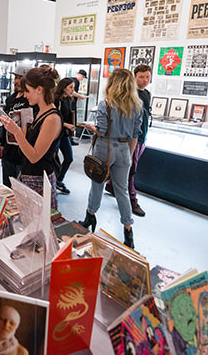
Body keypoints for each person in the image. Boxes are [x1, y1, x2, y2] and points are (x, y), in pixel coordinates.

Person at [80, 68, 142, 249]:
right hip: (124, 149)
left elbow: (102, 131)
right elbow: (135, 135)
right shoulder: (137, 106)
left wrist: (91, 127)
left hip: (104, 147)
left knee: (97, 185)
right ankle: (128, 231)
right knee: (122, 191)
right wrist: (129, 155)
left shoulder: (105, 104)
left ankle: (90, 216)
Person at [0, 66, 62, 210]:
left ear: (39, 89)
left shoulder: (51, 118)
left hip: (39, 181)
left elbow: (34, 156)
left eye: (27, 90)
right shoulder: (40, 113)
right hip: (28, 176)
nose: (25, 95)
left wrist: (16, 132)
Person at [105, 64, 152, 217]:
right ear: (134, 77)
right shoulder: (130, 96)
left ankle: (111, 185)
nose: (145, 80)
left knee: (129, 167)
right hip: (130, 139)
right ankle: (132, 200)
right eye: (141, 77)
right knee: (131, 169)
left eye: (147, 77)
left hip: (141, 136)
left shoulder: (147, 94)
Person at [0, 67, 31, 187]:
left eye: (20, 78)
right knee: (7, 188)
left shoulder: (30, 100)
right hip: (9, 152)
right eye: (15, 77)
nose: (16, 81)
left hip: (23, 154)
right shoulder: (10, 99)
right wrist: (2, 144)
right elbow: (5, 124)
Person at [54, 78, 75, 195]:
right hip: (56, 133)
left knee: (69, 158)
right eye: (70, 87)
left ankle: (59, 180)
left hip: (64, 133)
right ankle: (54, 181)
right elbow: (54, 118)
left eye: (73, 87)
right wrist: (66, 125)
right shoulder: (56, 100)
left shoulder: (68, 99)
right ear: (64, 87)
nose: (73, 90)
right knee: (53, 159)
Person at [69, 69, 89, 145]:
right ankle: (70, 139)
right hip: (72, 104)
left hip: (69, 103)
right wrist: (80, 96)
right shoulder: (76, 81)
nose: (82, 79)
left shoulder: (70, 79)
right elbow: (72, 92)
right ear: (80, 75)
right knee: (72, 120)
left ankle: (70, 139)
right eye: (83, 77)